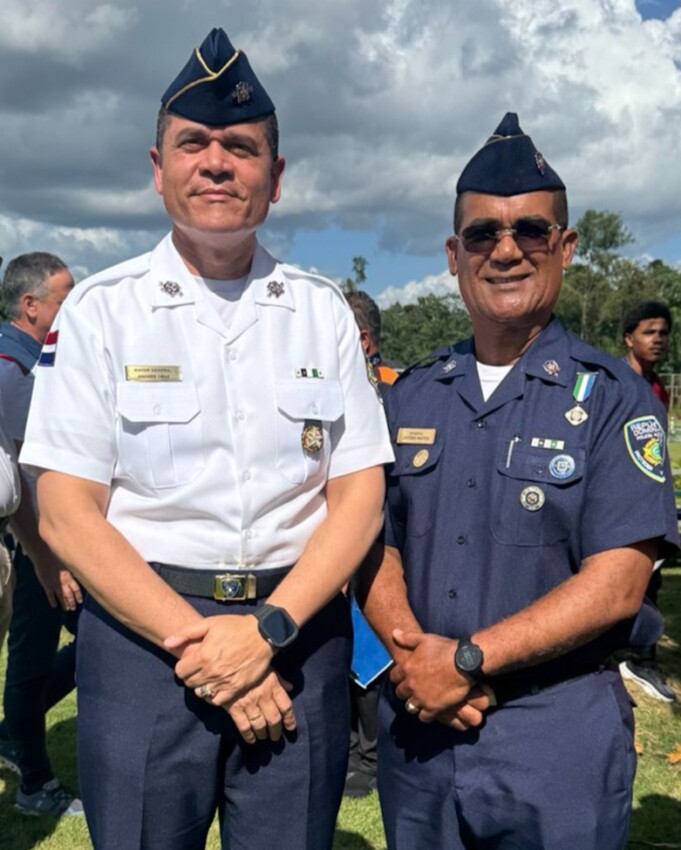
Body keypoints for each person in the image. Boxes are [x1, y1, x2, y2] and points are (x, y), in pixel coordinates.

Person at [20, 27, 393, 850]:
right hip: (144, 645)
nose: (216, 163)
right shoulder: (100, 311)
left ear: (277, 175)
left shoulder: (322, 309)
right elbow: (64, 511)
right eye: (193, 143)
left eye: (241, 147)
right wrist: (202, 645)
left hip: (296, 637)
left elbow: (359, 495)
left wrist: (266, 632)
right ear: (158, 169)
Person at [357, 113, 678, 850]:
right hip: (422, 730)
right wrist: (414, 660)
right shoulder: (408, 395)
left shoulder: (613, 398)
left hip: (554, 738)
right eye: (481, 234)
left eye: (529, 231)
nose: (505, 250)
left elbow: (618, 582)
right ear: (451, 254)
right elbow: (372, 543)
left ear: (564, 248)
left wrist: (467, 660)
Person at [0, 253, 83, 816]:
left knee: (96, 639)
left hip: (45, 538)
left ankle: (13, 735)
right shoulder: (12, 367)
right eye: (63, 299)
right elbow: (38, 468)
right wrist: (47, 552)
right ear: (31, 305)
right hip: (37, 540)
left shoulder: (31, 361)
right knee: (33, 656)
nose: (72, 309)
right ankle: (33, 779)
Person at [343, 290, 397, 798]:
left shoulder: (397, 389)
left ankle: (372, 755)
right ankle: (352, 746)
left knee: (372, 647)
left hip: (380, 542)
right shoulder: (334, 389)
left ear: (360, 338)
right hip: (330, 544)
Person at [619, 301, 676, 702]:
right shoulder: (614, 383)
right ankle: (631, 657)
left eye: (664, 333)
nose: (658, 340)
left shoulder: (659, 388)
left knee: (649, 578)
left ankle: (640, 657)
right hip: (619, 502)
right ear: (629, 338)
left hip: (650, 499)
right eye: (648, 332)